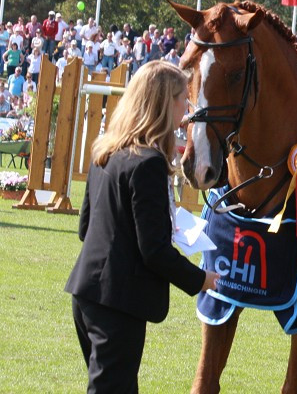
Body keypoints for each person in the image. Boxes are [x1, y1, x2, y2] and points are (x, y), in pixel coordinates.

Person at [64, 61, 219, 393]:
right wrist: (201, 279)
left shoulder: (104, 152)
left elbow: (86, 228)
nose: (187, 108)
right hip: (117, 302)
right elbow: (154, 252)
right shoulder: (148, 163)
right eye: (183, 98)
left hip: (88, 294)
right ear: (164, 102)